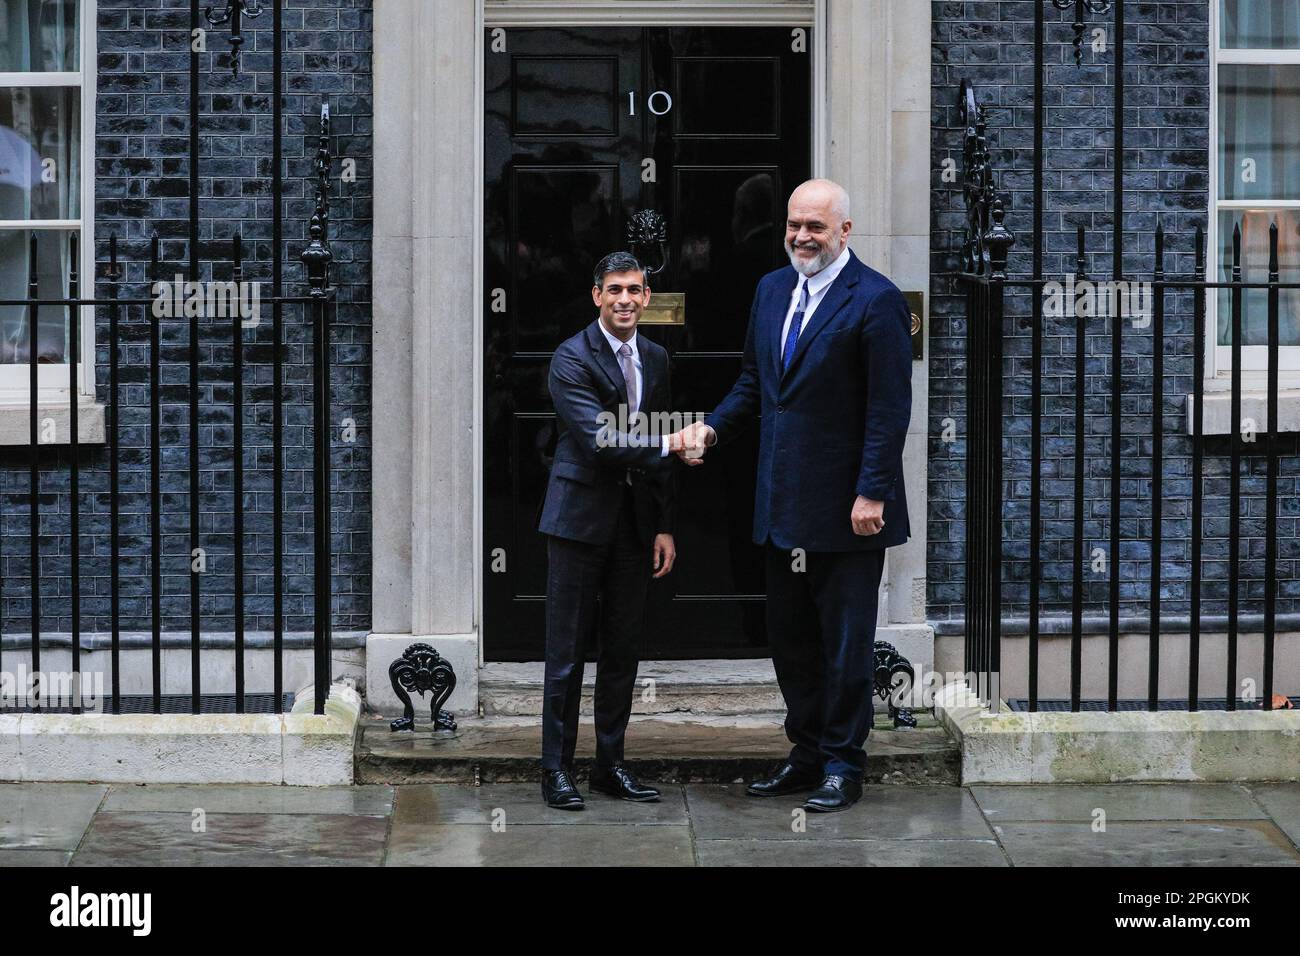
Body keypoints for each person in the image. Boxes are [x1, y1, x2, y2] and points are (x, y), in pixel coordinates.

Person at [669, 179, 913, 812]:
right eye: (794, 225)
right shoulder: (771, 289)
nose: (802, 237)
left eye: (816, 227)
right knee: (791, 640)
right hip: (780, 501)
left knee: (844, 641)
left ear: (845, 232)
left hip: (848, 509)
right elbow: (755, 383)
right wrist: (713, 427)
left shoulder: (877, 300)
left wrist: (872, 494)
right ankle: (805, 754)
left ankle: (842, 763)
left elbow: (889, 409)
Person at [537, 250, 691, 810]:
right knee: (567, 652)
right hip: (577, 524)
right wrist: (670, 442)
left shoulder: (656, 356)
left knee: (621, 651)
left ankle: (610, 765)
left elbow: (658, 450)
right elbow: (601, 440)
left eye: (635, 289)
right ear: (597, 295)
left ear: (647, 297)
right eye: (615, 290)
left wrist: (664, 527)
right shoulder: (570, 358)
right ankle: (556, 769)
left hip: (634, 529)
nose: (626, 299)